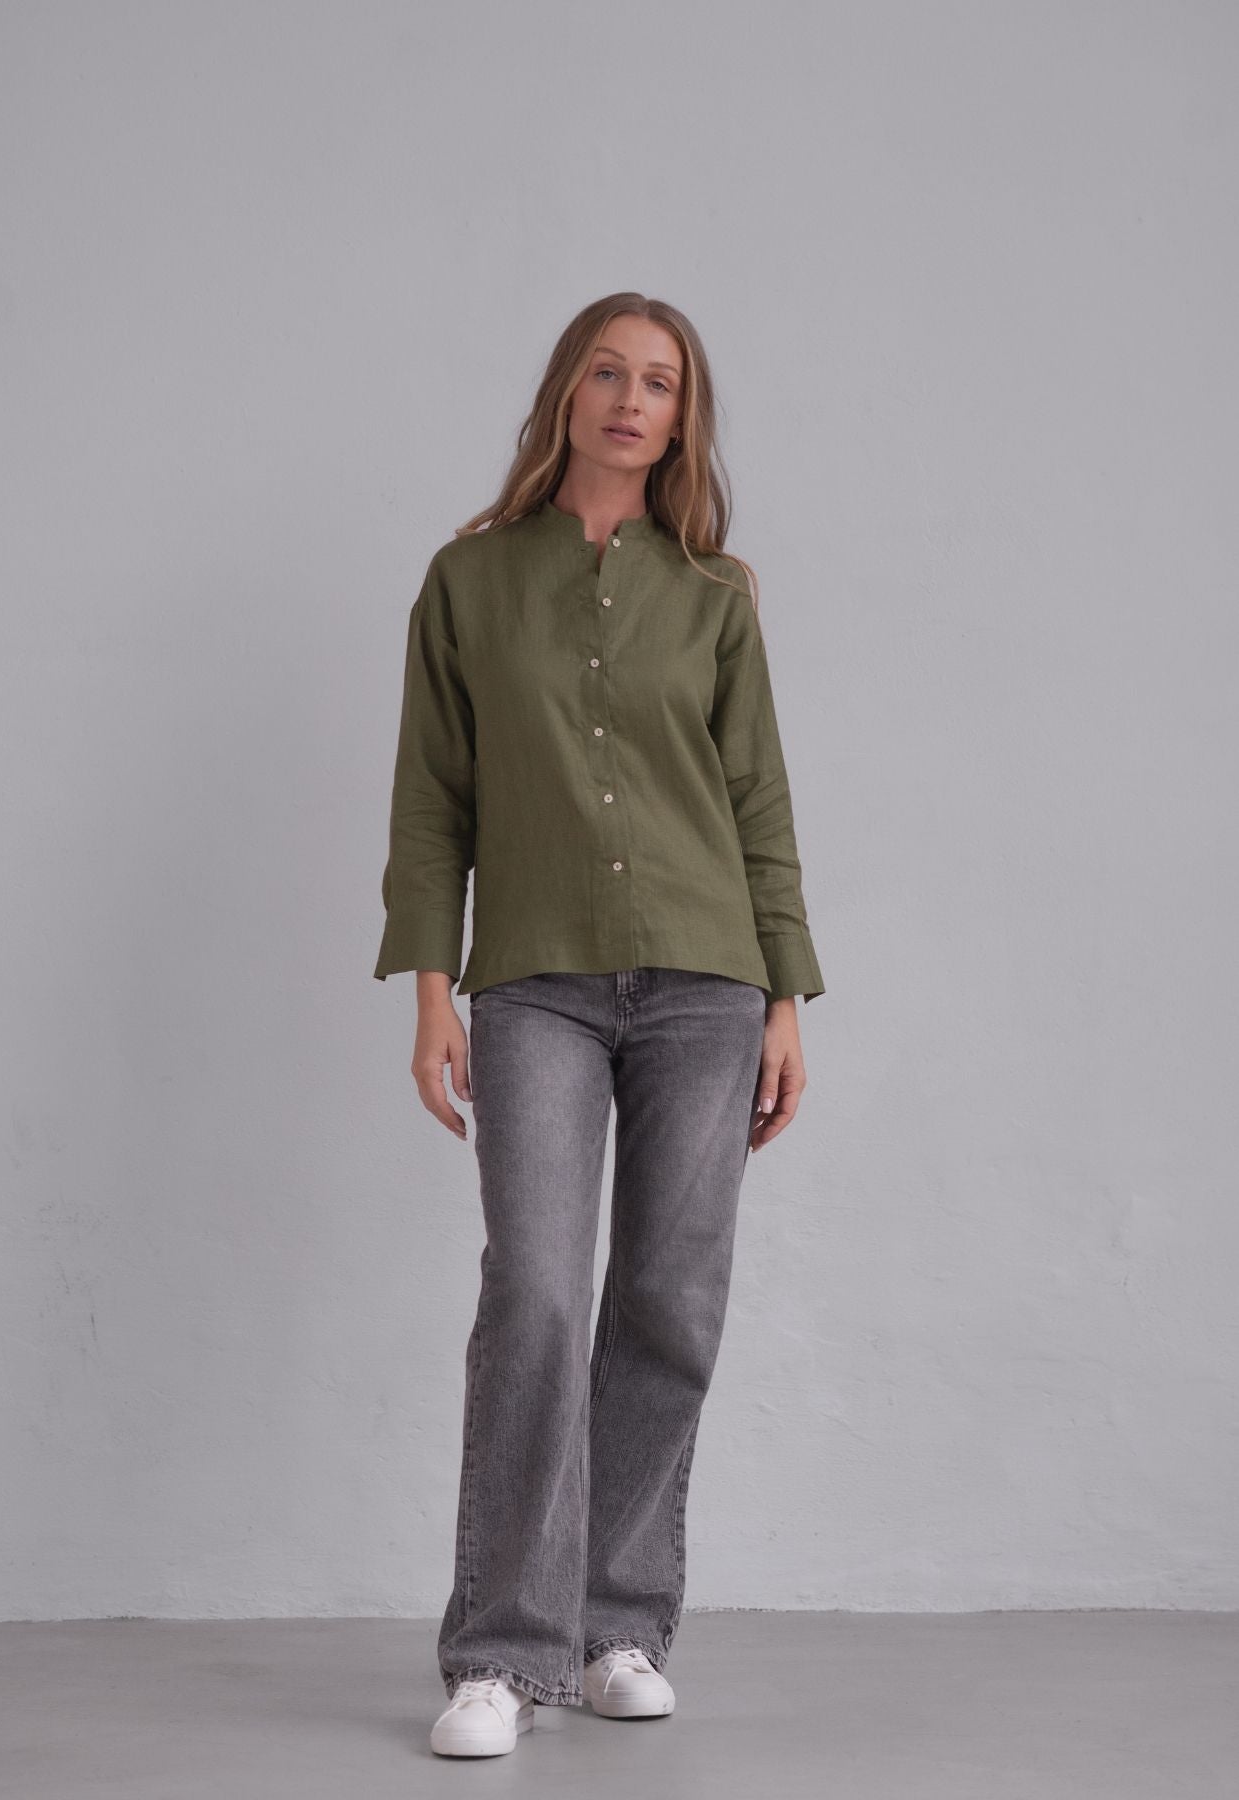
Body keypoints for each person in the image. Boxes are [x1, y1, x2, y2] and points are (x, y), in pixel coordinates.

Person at [373, 292, 826, 1758]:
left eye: (662, 384)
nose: (634, 400)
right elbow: (432, 799)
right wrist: (431, 991)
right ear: (566, 392)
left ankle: (620, 1624)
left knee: (668, 1300)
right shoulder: (469, 579)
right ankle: (499, 1653)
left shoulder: (715, 595)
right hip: (534, 982)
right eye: (610, 373)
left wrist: (785, 999)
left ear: (684, 419)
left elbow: (757, 804)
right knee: (539, 1296)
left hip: (706, 979)